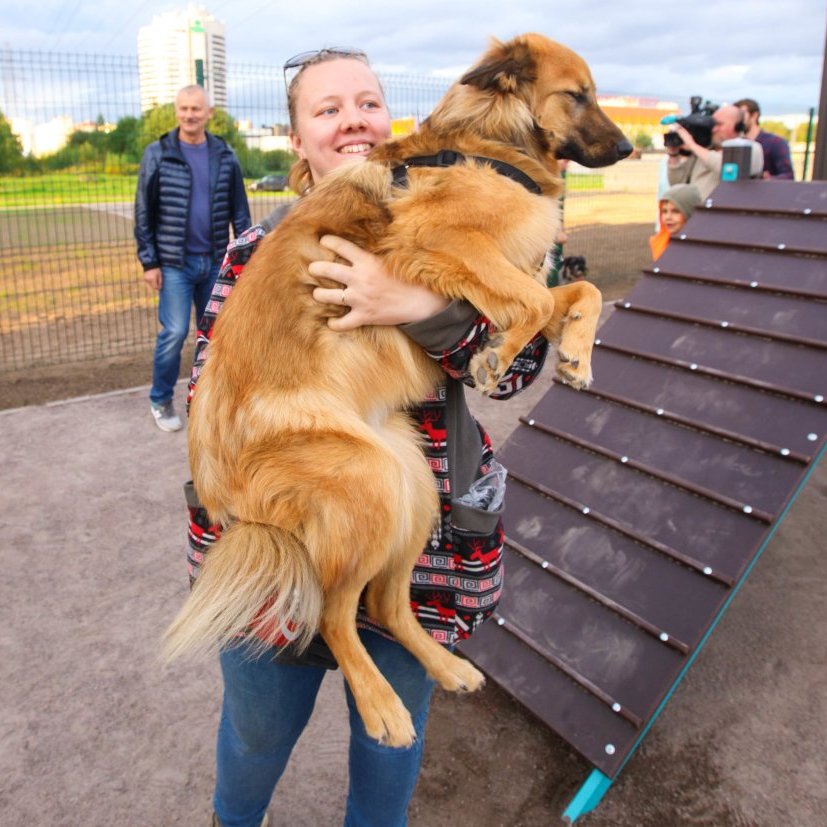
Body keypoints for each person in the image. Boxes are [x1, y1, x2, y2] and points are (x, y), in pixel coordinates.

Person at [184, 49, 550, 827]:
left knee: (389, 745)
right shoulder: (254, 253)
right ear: (297, 140)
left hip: (421, 550)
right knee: (255, 732)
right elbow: (210, 393)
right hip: (284, 538)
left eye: (368, 103)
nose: (352, 119)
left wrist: (417, 306)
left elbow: (515, 371)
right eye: (327, 109)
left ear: (394, 120)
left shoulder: (457, 221)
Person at [134, 84, 252, 433]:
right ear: (176, 111)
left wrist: (245, 258)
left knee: (216, 336)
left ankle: (210, 401)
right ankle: (160, 399)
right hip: (174, 264)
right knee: (174, 332)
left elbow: (240, 211)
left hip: (214, 261)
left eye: (196, 109)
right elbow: (143, 211)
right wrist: (149, 262)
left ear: (208, 113)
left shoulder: (225, 155)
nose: (189, 115)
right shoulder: (158, 154)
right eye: (184, 108)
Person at [666, 103, 763, 199]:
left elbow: (728, 169)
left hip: (723, 208)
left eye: (719, 124)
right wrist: (673, 154)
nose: (713, 129)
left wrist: (692, 145)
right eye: (713, 124)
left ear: (738, 127)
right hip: (695, 208)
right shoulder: (704, 149)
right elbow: (677, 184)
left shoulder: (752, 148)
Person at [734, 97, 795, 180]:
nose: (738, 120)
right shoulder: (735, 143)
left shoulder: (775, 142)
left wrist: (766, 179)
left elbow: (788, 176)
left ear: (754, 116)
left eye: (742, 115)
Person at [648, 183, 702, 260]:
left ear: (690, 212)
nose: (668, 217)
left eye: (675, 211)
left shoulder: (702, 247)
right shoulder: (661, 243)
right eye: (664, 211)